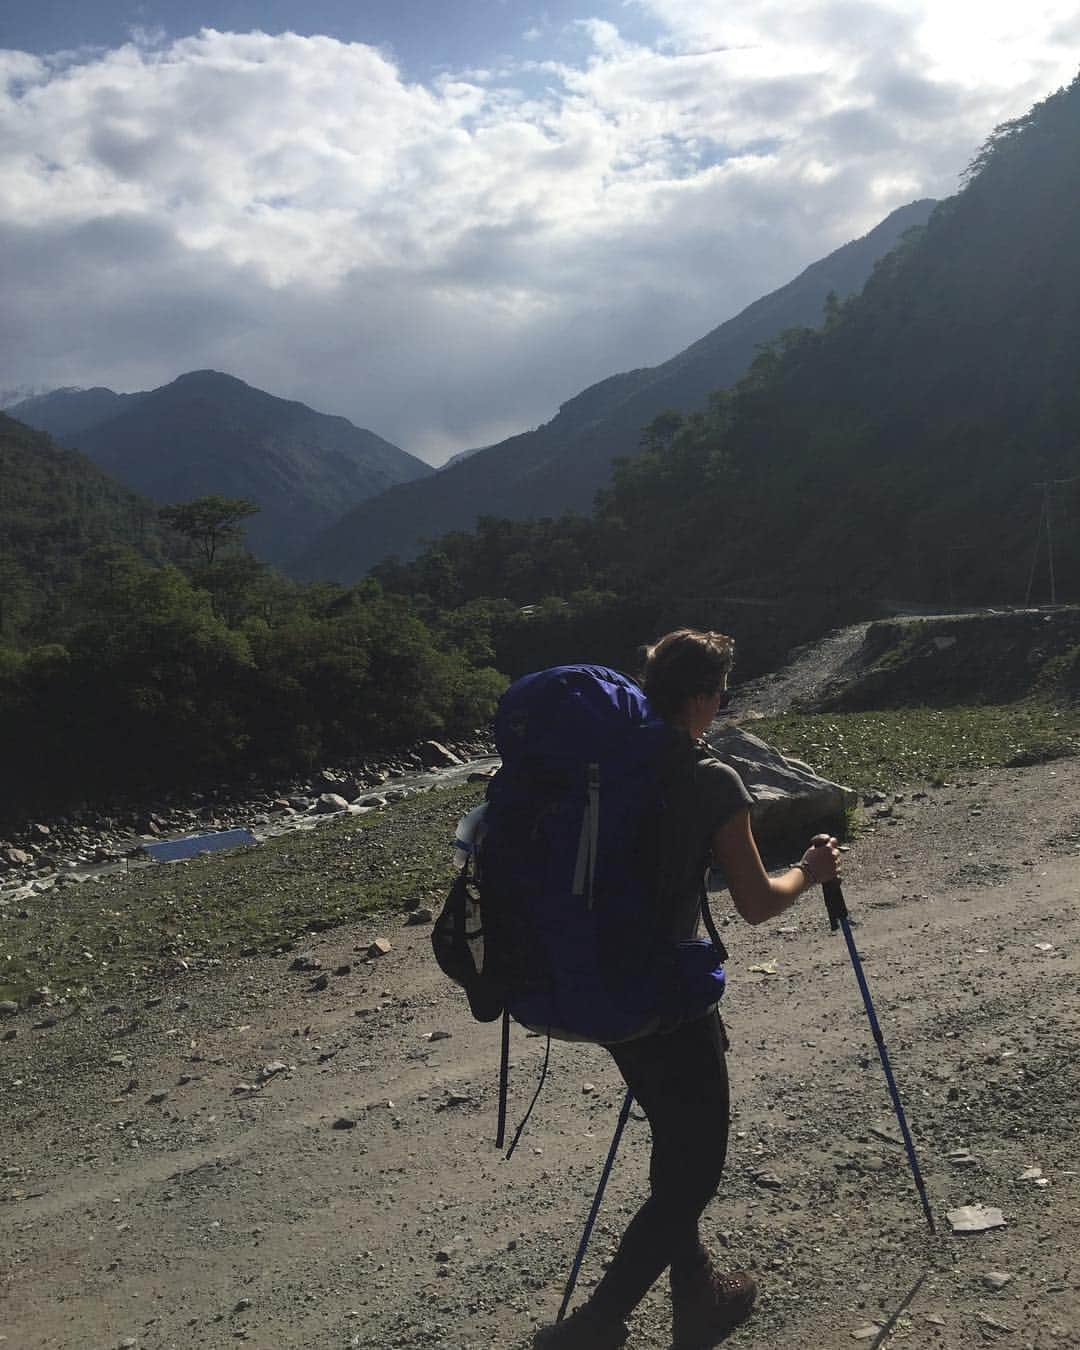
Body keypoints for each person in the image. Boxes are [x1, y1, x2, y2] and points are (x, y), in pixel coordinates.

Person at [534, 629, 840, 1350]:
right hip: (669, 997)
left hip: (593, 981)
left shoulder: (601, 765)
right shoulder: (710, 779)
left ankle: (695, 1293)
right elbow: (759, 902)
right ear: (702, 696)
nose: (721, 708)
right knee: (694, 1173)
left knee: (676, 1144)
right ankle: (596, 1324)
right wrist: (812, 870)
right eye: (721, 696)